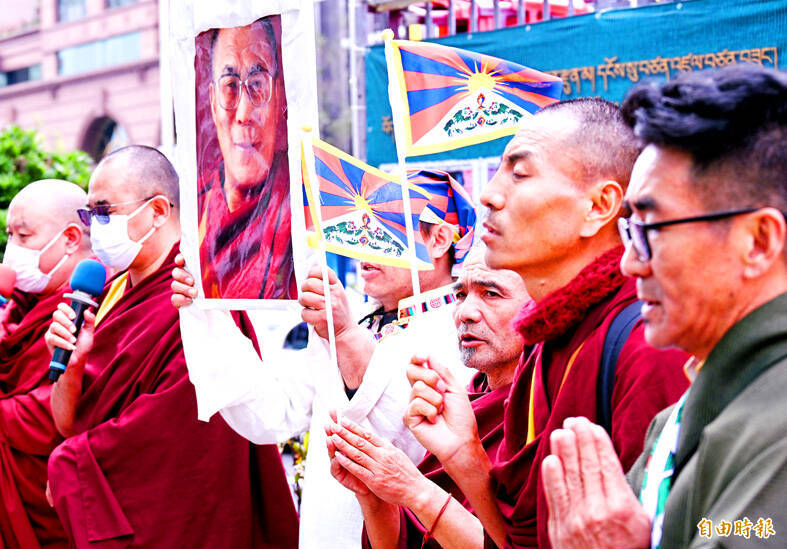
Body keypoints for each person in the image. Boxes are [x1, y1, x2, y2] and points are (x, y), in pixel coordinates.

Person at [402, 98, 691, 548]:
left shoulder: (645, 342)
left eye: (519, 174)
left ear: (599, 206)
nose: (489, 194)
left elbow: (707, 528)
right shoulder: (543, 345)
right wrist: (468, 461)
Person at [541, 65, 787, 549]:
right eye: (631, 231)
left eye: (652, 230)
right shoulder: (679, 418)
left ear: (758, 241)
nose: (631, 263)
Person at [173, 169, 476, 549]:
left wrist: (347, 336)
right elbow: (275, 412)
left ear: (439, 239)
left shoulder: (462, 329)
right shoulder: (357, 318)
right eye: (360, 221)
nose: (363, 242)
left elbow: (405, 436)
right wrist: (206, 305)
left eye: (386, 223)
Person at [44, 145, 298, 548]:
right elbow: (67, 421)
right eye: (89, 214)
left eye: (105, 211)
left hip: (182, 520)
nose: (96, 226)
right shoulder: (107, 295)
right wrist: (70, 368)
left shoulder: (201, 301)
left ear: (159, 211)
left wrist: (72, 465)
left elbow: (172, 443)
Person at [324, 245, 530, 548]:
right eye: (461, 295)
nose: (466, 313)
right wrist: (373, 495)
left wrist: (415, 489)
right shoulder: (467, 398)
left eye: (491, 294)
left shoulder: (542, 409)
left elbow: (510, 542)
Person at [0, 180, 92, 549]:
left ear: (71, 239)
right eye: (9, 236)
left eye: (23, 236)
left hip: (50, 500)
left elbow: (57, 412)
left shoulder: (95, 306)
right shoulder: (21, 303)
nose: (11, 251)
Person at [199, 15, 295, 299]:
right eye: (230, 86)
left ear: (278, 98)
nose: (243, 115)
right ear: (213, 102)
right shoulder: (193, 216)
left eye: (258, 84)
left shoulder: (305, 209)